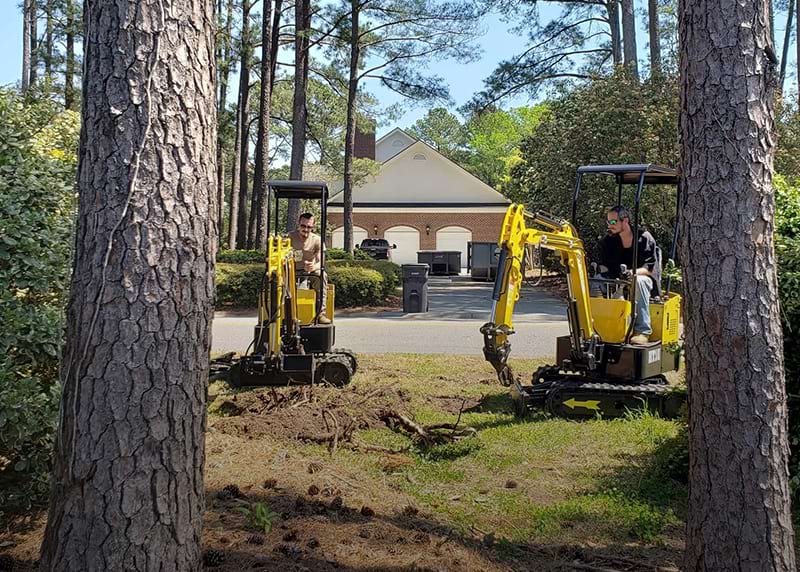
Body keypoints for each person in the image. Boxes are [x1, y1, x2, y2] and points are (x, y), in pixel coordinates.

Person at [597, 205, 657, 345]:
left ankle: (642, 331)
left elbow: (649, 268)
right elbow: (604, 265)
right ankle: (600, 326)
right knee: (596, 281)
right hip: (617, 280)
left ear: (625, 221)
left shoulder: (644, 238)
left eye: (613, 222)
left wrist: (631, 273)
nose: (610, 225)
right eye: (608, 222)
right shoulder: (609, 241)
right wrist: (603, 273)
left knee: (638, 281)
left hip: (643, 279)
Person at [287, 212, 330, 324]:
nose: (305, 229)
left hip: (309, 272)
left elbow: (321, 261)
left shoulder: (317, 240)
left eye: (309, 227)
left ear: (313, 227)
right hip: (292, 271)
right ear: (298, 224)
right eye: (303, 226)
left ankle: (320, 313)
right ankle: (285, 314)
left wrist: (313, 266)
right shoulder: (289, 237)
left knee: (322, 275)